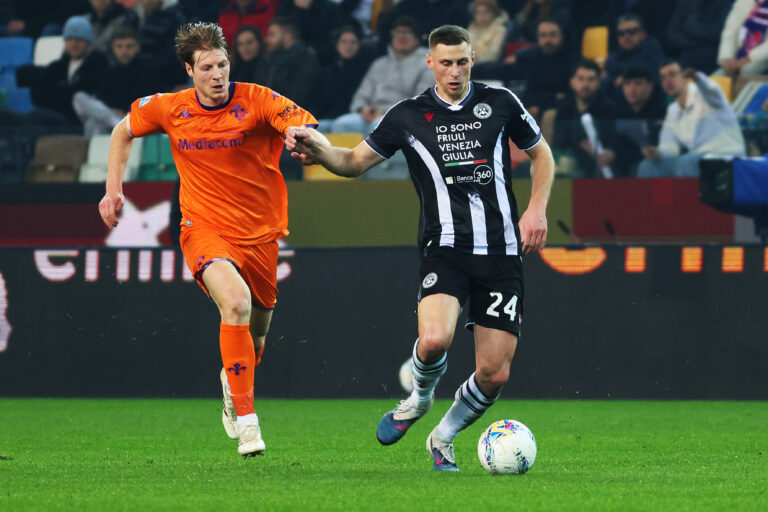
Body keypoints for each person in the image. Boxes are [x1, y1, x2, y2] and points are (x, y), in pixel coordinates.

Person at [286, 24, 554, 472]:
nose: (454, 71)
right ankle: (419, 398)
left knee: (495, 374)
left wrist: (537, 211)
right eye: (445, 63)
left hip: (502, 251)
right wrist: (320, 148)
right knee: (433, 341)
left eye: (462, 61)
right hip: (444, 247)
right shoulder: (407, 115)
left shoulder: (502, 103)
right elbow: (353, 163)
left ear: (473, 60)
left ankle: (443, 436)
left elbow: (542, 155)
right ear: (430, 63)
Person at [98, 22, 318, 458]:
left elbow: (300, 121)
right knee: (235, 302)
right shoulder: (168, 107)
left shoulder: (256, 99)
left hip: (261, 235)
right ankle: (249, 423)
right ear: (189, 70)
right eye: (207, 67)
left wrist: (299, 135)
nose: (218, 75)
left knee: (256, 339)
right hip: (203, 228)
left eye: (222, 64)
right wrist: (113, 188)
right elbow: (122, 131)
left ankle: (231, 381)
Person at [638, 60, 746, 178]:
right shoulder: (672, 110)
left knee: (685, 162)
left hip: (725, 155)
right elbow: (670, 146)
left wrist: (697, 77)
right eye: (663, 78)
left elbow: (711, 91)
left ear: (684, 76)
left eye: (672, 74)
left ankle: (686, 197)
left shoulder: (704, 93)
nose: (668, 81)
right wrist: (657, 153)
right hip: (698, 159)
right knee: (648, 166)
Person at [330, 16, 433, 134]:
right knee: (342, 124)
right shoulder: (379, 63)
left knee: (379, 126)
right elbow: (361, 95)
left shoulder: (426, 63)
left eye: (407, 33)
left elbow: (420, 102)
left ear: (417, 40)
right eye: (398, 32)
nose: (401, 37)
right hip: (370, 115)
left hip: (400, 118)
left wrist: (385, 112)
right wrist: (363, 109)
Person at [473, 17, 574, 120]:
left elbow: (566, 95)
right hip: (536, 104)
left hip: (560, 109)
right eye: (543, 35)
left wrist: (542, 103)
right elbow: (529, 94)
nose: (547, 40)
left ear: (562, 36)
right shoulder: (534, 55)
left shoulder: (571, 59)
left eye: (552, 35)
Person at [16, 15, 109, 125]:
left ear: (88, 42)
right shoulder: (59, 65)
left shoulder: (99, 64)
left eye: (79, 40)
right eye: (70, 39)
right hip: (59, 115)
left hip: (84, 119)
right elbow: (42, 90)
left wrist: (60, 92)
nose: (74, 44)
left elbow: (84, 94)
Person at [73, 27, 158, 136]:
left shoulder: (148, 70)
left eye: (129, 46)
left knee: (94, 121)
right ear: (112, 49)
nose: (124, 51)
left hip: (137, 120)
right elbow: (102, 99)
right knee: (80, 99)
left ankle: (116, 122)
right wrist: (110, 111)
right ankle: (115, 122)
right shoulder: (107, 73)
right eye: (119, 46)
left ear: (137, 48)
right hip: (111, 119)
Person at [552, 59, 616, 178]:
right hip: (571, 165)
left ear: (598, 83)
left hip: (600, 167)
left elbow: (613, 143)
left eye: (591, 79)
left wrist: (601, 152)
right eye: (581, 79)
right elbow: (558, 145)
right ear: (572, 82)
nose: (585, 85)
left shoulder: (609, 109)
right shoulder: (564, 111)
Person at [612, 65, 666, 177]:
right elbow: (615, 148)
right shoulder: (617, 113)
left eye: (638, 83)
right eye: (627, 84)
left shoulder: (662, 112)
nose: (632, 89)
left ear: (650, 86)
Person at [603, 14, 664, 101]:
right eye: (621, 33)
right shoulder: (613, 57)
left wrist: (623, 80)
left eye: (632, 31)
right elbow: (607, 83)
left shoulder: (652, 50)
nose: (626, 36)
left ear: (643, 34)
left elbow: (653, 79)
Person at [716, 0, 768, 78]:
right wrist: (727, 58)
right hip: (738, 56)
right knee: (717, 77)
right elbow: (730, 31)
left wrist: (748, 59)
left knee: (747, 70)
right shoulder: (743, 2)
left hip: (761, 58)